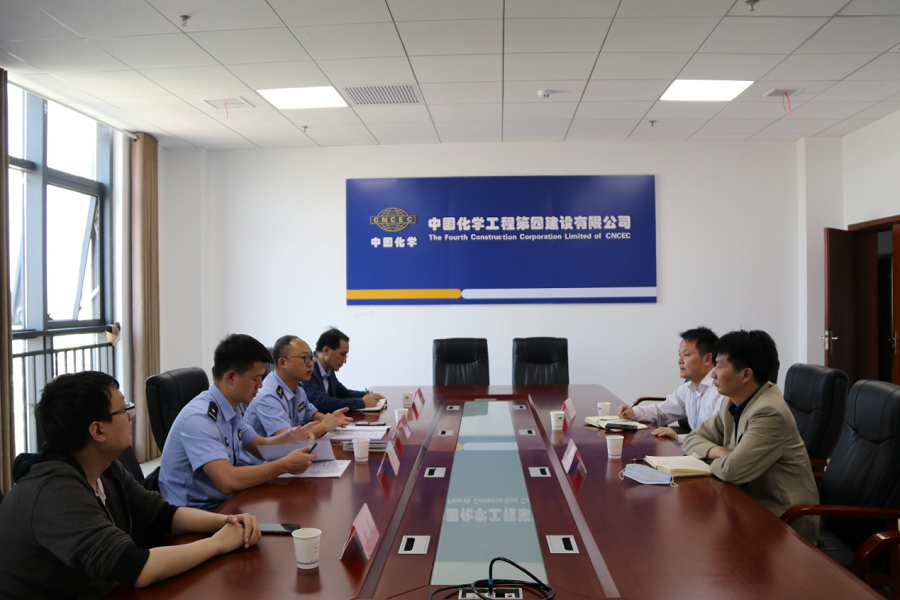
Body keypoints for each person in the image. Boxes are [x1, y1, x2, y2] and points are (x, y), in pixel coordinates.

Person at [0, 371, 262, 599]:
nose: (131, 417)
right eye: (124, 410)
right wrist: (219, 543)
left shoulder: (103, 467)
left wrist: (227, 521)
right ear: (97, 431)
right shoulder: (54, 493)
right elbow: (135, 568)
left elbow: (161, 513)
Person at [682, 330, 819, 543]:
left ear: (746, 375)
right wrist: (719, 451)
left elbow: (731, 471)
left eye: (719, 366)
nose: (713, 374)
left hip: (783, 523)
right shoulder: (732, 401)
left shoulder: (769, 412)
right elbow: (692, 438)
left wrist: (710, 457)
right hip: (746, 505)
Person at [159, 334, 317, 510]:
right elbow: (227, 480)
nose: (260, 385)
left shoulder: (230, 409)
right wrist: (285, 465)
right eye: (255, 379)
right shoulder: (199, 418)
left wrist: (290, 436)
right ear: (231, 377)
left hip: (225, 503)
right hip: (197, 514)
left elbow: (261, 447)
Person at [617, 327, 724, 440]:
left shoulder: (721, 391)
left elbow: (716, 437)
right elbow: (661, 412)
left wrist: (678, 438)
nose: (680, 360)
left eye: (686, 355)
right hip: (693, 446)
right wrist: (633, 412)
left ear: (707, 359)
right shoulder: (687, 388)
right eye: (679, 355)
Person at [243, 334, 353, 438]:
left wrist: (331, 419)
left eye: (311, 358)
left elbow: (310, 413)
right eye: (305, 358)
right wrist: (324, 426)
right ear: (283, 363)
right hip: (272, 452)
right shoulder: (268, 396)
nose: (311, 364)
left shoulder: (297, 387)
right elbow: (286, 439)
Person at [303, 327, 385, 413]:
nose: (344, 361)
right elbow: (320, 402)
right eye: (342, 354)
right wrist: (362, 402)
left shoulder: (328, 368)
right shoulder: (308, 368)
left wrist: (368, 395)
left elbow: (342, 393)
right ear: (326, 350)